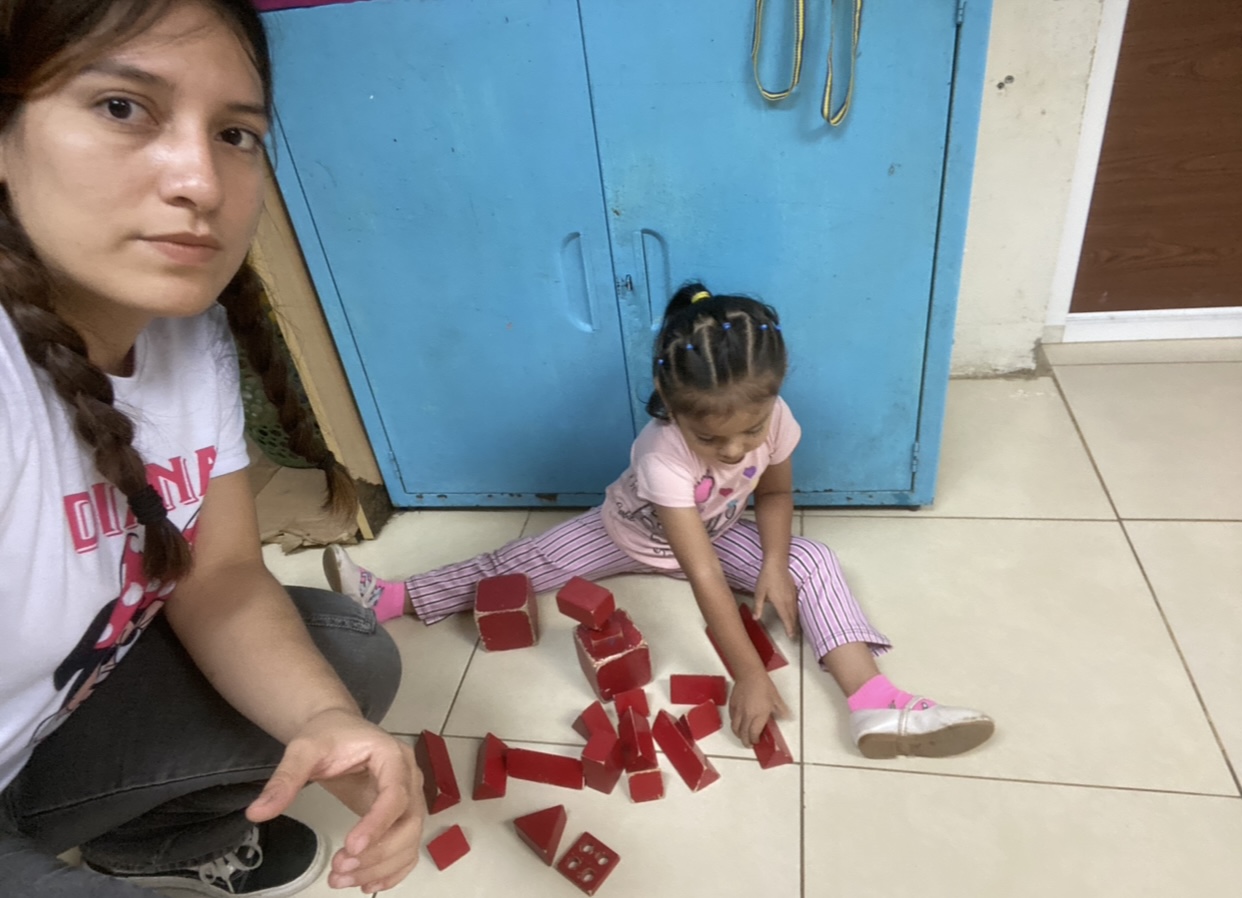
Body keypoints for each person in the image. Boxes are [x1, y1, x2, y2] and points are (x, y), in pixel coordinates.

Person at [0, 1, 425, 895]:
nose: (200, 180)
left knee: (345, 661)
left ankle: (147, 837)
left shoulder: (185, 333)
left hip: (47, 727)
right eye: (123, 107)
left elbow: (221, 573)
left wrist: (322, 719)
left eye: (236, 133)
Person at [326, 284, 995, 757]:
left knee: (813, 560)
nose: (735, 451)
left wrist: (772, 562)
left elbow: (774, 495)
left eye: (751, 431)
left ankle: (873, 700)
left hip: (718, 532)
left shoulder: (776, 419)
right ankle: (390, 597)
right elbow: (702, 576)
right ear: (673, 411)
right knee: (514, 564)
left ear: (773, 400)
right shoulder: (661, 454)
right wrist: (749, 674)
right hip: (625, 535)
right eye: (713, 439)